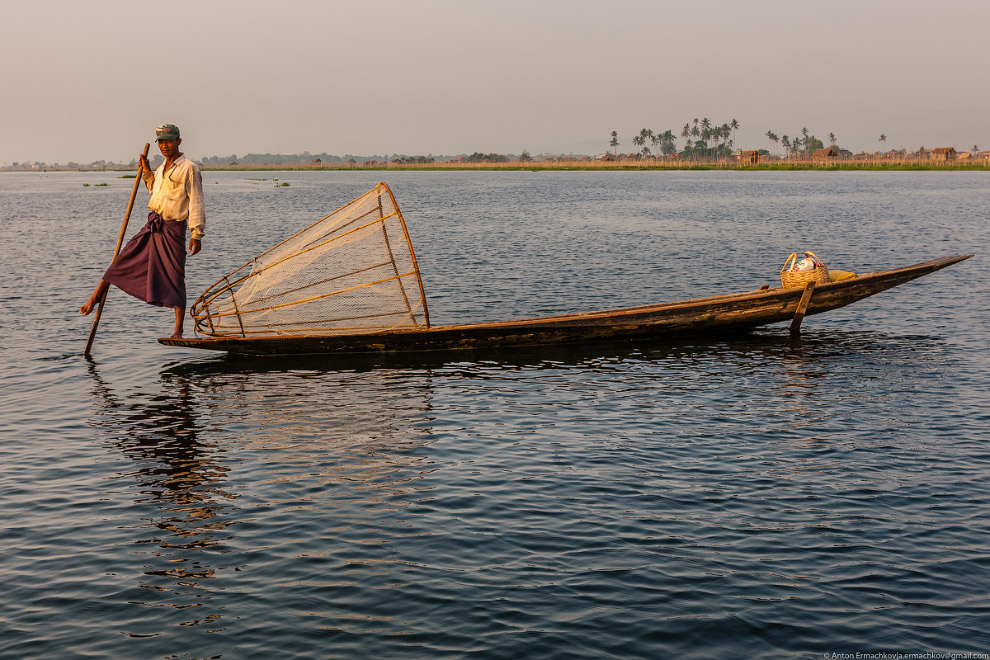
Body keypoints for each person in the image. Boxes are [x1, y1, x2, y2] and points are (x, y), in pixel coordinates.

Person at [80, 124, 205, 338]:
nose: (165, 146)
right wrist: (147, 171)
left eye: (169, 141)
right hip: (153, 225)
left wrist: (196, 234)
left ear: (179, 141)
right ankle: (96, 295)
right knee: (123, 258)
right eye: (161, 142)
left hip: (173, 229)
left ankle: (178, 330)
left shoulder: (189, 168)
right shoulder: (161, 169)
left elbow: (196, 201)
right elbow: (155, 192)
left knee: (176, 277)